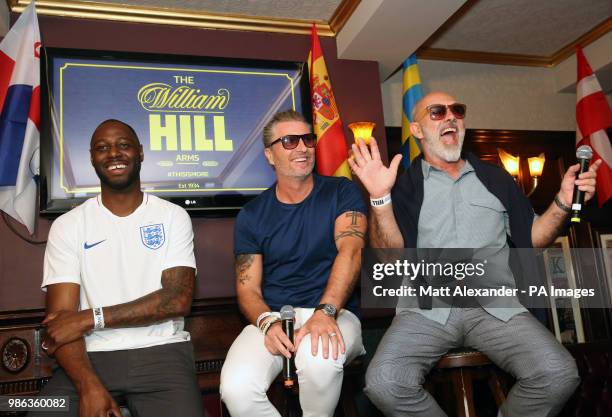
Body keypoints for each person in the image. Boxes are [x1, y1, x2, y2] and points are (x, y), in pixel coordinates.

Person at [348, 92, 601, 417]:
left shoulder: (495, 178)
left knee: (558, 372)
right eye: (437, 112)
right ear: (417, 129)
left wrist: (564, 200)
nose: (451, 116)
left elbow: (534, 238)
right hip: (426, 309)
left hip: (495, 307)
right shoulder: (405, 184)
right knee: (384, 381)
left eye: (458, 110)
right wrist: (381, 198)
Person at [32, 120, 203, 417]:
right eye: (102, 148)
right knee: (37, 410)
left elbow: (176, 299)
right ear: (91, 158)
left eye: (123, 145)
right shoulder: (68, 226)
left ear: (140, 153)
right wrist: (88, 387)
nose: (113, 153)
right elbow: (61, 325)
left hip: (162, 354)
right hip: (89, 359)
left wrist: (90, 318)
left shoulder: (173, 216)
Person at [219, 110, 367, 417]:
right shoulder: (252, 215)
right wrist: (266, 322)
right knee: (236, 388)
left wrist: (325, 312)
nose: (302, 147)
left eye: (307, 139)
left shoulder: (342, 191)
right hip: (275, 318)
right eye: (288, 141)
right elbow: (248, 289)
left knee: (318, 361)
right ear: (270, 155)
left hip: (336, 312)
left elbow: (350, 252)